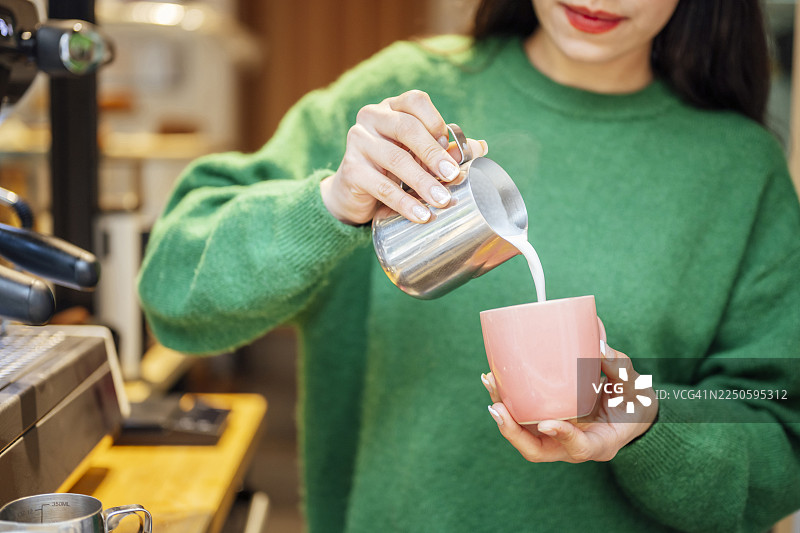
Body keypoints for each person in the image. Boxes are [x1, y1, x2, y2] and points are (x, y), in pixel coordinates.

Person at [137, 0, 800, 531]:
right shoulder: (399, 104)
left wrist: (640, 415)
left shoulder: (737, 171)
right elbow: (173, 294)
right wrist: (332, 203)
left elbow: (778, 430)